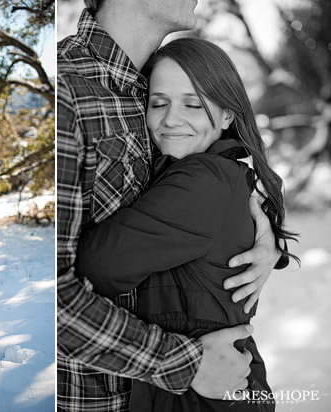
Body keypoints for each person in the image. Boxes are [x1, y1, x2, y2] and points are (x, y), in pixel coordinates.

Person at [57, 1, 283, 410]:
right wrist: (184, 363)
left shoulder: (134, 86)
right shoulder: (66, 91)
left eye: (193, 104)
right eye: (159, 104)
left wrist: (262, 231)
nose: (170, 117)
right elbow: (58, 292)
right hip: (104, 394)